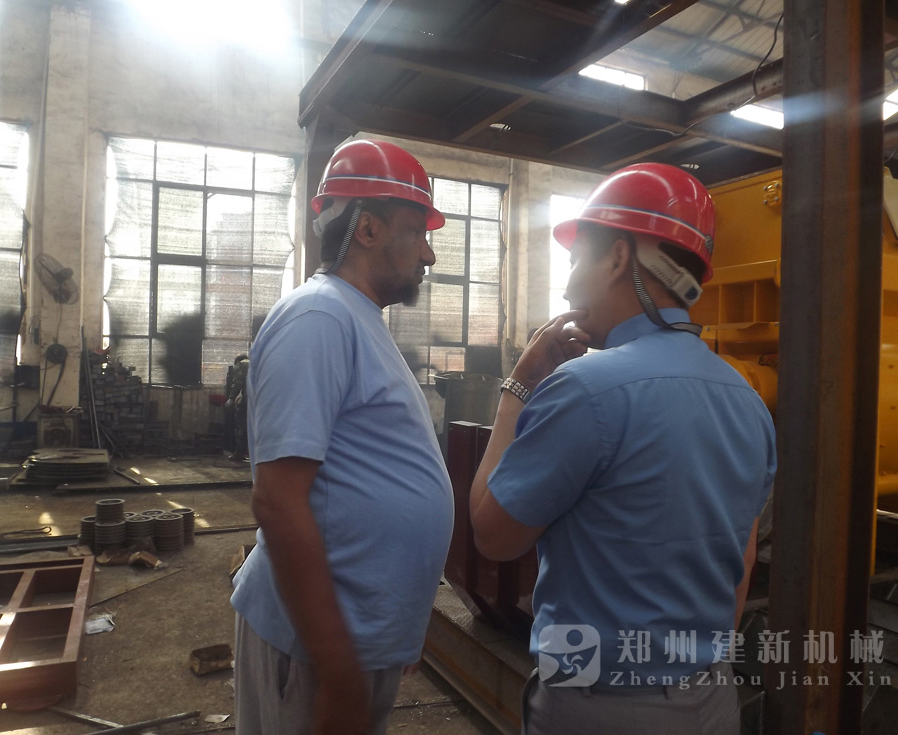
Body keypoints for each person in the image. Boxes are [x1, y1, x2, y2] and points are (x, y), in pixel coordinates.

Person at [469, 163, 777, 734]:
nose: (567, 286)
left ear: (617, 258)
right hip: (712, 699)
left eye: (575, 261)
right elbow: (743, 561)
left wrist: (517, 389)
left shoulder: (583, 390)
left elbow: (493, 536)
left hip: (600, 707)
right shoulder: (747, 399)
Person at [230, 139, 455, 735]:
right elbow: (278, 502)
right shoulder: (319, 317)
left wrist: (394, 627)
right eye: (417, 231)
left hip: (355, 642)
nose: (429, 253)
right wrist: (338, 672)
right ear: (369, 230)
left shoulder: (356, 317)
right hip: (317, 653)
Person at [224, 354, 249, 462]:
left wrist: (231, 398)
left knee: (241, 425)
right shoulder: (259, 362)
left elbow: (238, 382)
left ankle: (239, 453)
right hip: (264, 401)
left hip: (249, 400)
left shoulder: (241, 365)